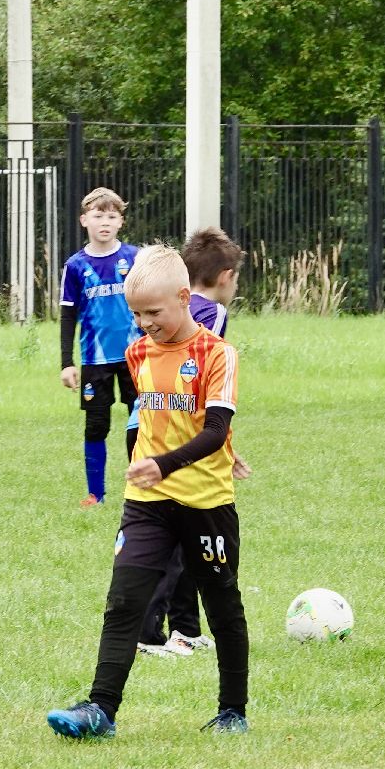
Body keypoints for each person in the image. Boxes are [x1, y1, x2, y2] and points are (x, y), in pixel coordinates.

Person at [47, 244, 251, 739]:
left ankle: (232, 711)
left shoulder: (217, 353)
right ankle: (100, 710)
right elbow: (157, 418)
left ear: (184, 297)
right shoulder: (137, 353)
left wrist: (188, 458)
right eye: (136, 314)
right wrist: (147, 463)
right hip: (147, 502)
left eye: (153, 313)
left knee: (222, 604)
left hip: (205, 502)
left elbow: (213, 425)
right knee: (124, 600)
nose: (143, 324)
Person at [138, 227, 250, 657]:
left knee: (183, 535)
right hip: (172, 431)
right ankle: (151, 633)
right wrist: (217, 442)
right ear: (226, 276)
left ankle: (183, 628)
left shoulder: (170, 309)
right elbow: (200, 389)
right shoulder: (212, 316)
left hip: (154, 422)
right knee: (180, 533)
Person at [59, 188, 143, 507]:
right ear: (84, 220)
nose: (104, 222)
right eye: (98, 216)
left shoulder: (135, 258)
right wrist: (67, 363)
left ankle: (141, 489)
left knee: (141, 421)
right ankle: (96, 494)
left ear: (120, 221)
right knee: (96, 425)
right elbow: (68, 315)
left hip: (136, 357)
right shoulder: (76, 266)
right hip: (95, 360)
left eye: (111, 216)